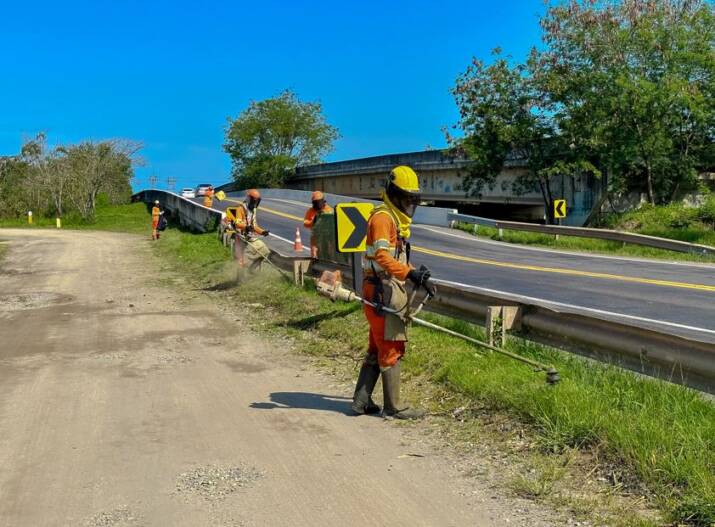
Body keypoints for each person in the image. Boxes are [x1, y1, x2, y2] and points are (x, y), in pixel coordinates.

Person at [351, 166, 432, 419]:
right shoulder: (383, 218)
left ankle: (361, 401)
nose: (410, 205)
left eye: (412, 200)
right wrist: (408, 274)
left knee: (376, 347)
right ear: (394, 196)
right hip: (381, 290)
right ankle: (393, 407)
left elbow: (394, 258)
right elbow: (382, 256)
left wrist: (416, 275)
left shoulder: (394, 221)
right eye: (406, 199)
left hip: (383, 288)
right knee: (390, 347)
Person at [233, 189, 271, 271]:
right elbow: (237, 224)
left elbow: (254, 226)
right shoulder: (240, 208)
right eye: (254, 201)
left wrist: (262, 232)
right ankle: (240, 277)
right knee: (241, 261)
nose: (255, 204)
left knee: (265, 251)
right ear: (249, 199)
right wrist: (246, 227)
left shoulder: (253, 210)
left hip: (250, 237)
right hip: (241, 238)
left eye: (257, 202)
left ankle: (251, 269)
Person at [303, 191, 333, 258]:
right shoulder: (311, 211)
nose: (317, 204)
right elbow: (305, 223)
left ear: (323, 201)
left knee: (328, 255)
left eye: (318, 202)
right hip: (315, 237)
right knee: (314, 255)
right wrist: (313, 221)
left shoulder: (329, 210)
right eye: (315, 202)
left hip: (327, 237)